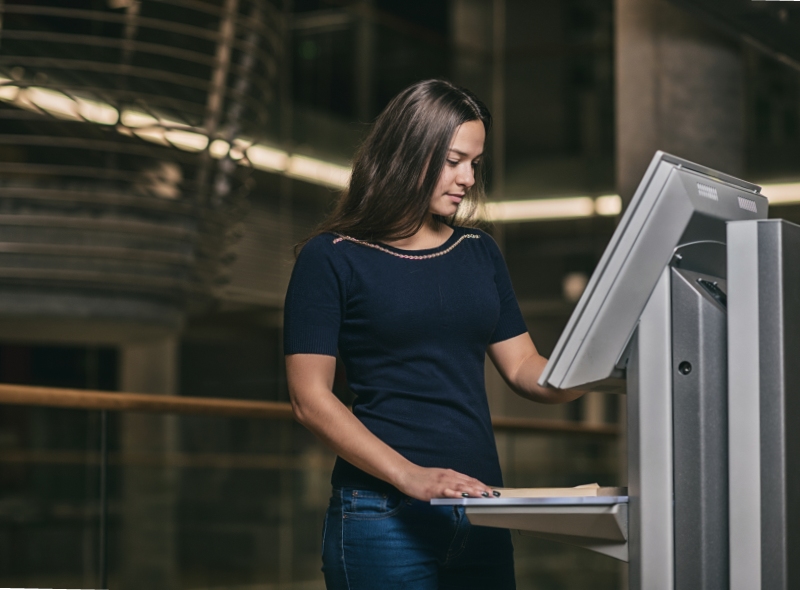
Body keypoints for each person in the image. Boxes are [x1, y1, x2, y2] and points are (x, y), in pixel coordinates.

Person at [283, 79, 585, 590]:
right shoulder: (332, 256)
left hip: (482, 505)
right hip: (382, 514)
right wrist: (409, 476)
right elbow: (309, 399)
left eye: (476, 163)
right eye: (453, 160)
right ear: (408, 152)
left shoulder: (479, 252)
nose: (468, 178)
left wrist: (608, 364)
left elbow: (528, 372)